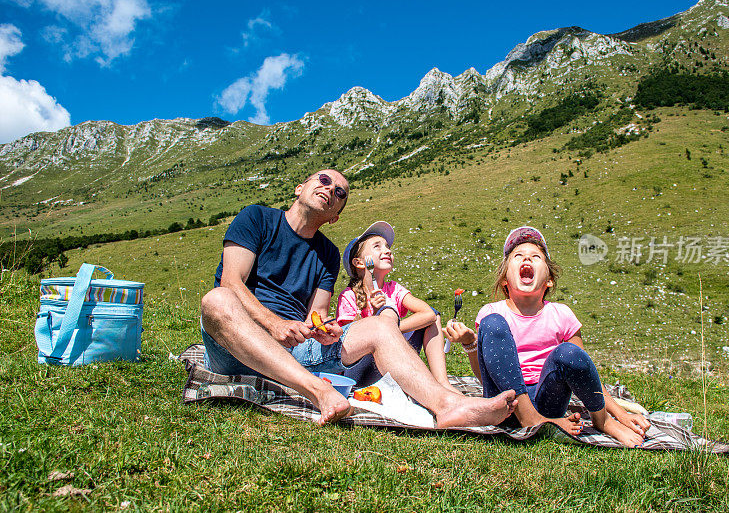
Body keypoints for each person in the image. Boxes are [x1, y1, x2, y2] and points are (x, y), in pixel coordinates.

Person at [199, 169, 517, 426]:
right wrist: (275, 324)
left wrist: (324, 330)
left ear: (336, 215)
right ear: (299, 188)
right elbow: (231, 281)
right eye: (324, 180)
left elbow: (317, 315)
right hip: (236, 344)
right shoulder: (256, 219)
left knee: (380, 326)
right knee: (216, 300)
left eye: (340, 192)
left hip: (293, 349)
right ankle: (318, 392)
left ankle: (447, 405)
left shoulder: (327, 254)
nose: (331, 189)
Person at [444, 226, 650, 446]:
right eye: (518, 256)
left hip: (548, 402)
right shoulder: (491, 313)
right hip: (504, 404)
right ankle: (531, 419)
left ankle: (602, 421)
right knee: (492, 324)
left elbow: (584, 374)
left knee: (570, 353)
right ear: (505, 279)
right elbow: (485, 374)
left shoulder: (561, 314)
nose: (527, 259)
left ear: (549, 279)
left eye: (535, 257)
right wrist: (470, 343)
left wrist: (619, 414)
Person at [336, 221, 457, 392]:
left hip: (393, 364)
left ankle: (442, 383)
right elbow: (347, 342)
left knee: (434, 316)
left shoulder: (394, 289)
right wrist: (375, 323)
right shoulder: (349, 296)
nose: (387, 250)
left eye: (387, 247)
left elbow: (429, 314)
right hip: (359, 374)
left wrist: (390, 329)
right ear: (359, 262)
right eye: (377, 247)